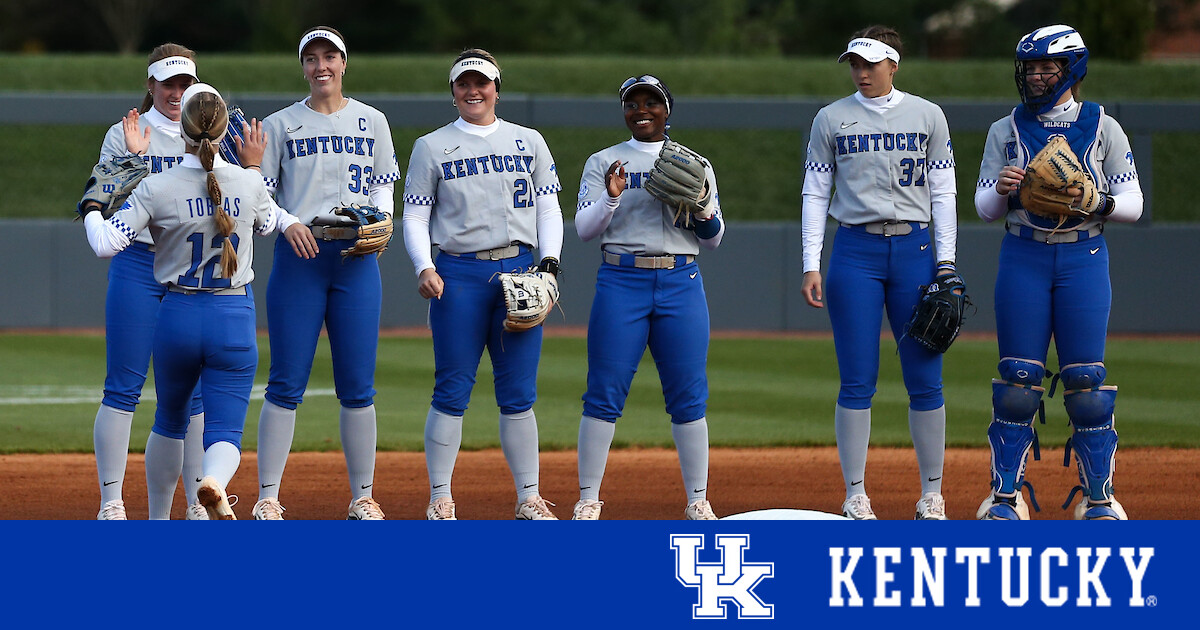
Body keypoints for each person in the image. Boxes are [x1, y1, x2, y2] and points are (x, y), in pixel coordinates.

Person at [82, 83, 315, 520]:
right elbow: (268, 222)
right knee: (223, 427)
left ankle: (156, 518)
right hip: (232, 316)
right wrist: (252, 167)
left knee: (169, 420)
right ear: (225, 130)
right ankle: (212, 484)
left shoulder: (158, 186)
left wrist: (94, 203)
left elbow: (105, 243)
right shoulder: (248, 182)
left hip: (177, 315)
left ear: (182, 132)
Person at [975, 25, 1143, 521]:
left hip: (1082, 255)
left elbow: (1133, 202)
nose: (1036, 76)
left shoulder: (1102, 126)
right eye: (1030, 67)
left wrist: (1100, 200)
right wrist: (1005, 189)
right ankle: (1005, 498)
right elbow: (985, 206)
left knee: (1087, 385)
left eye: (1047, 67)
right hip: (1023, 253)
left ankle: (1099, 499)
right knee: (1018, 381)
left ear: (1072, 69)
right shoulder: (1005, 128)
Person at [800, 26, 959, 520]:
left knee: (924, 377)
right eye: (854, 63)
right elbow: (815, 194)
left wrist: (947, 261)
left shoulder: (928, 114)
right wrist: (811, 261)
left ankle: (932, 493)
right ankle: (855, 493)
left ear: (894, 64)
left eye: (870, 64)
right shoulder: (831, 118)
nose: (861, 72)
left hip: (914, 248)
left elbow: (943, 193)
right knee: (856, 380)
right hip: (854, 250)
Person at [402, 48, 564, 520]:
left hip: (519, 269)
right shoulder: (431, 146)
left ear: (497, 88)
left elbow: (548, 208)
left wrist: (549, 263)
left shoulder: (528, 141)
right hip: (459, 273)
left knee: (518, 391)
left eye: (482, 82)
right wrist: (422, 266)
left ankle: (529, 497)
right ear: (452, 92)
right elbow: (415, 214)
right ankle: (439, 497)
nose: (473, 90)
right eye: (463, 84)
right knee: (452, 387)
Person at [250, 26, 399, 520]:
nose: (321, 66)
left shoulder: (373, 121)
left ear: (344, 63)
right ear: (303, 67)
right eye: (311, 58)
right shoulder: (279, 125)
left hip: (355, 262)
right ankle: (268, 495)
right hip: (302, 257)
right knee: (285, 381)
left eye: (329, 57)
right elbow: (259, 197)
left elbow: (381, 188)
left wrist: (383, 220)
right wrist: (287, 222)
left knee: (358, 385)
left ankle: (363, 495)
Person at [571, 75, 725, 521]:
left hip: (681, 280)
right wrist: (612, 198)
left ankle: (698, 500)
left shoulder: (695, 164)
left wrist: (701, 209)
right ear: (623, 111)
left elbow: (714, 239)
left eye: (652, 102)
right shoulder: (604, 161)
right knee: (603, 393)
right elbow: (584, 230)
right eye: (633, 103)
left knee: (689, 395)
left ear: (667, 110)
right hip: (621, 280)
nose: (642, 110)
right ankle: (587, 499)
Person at [87, 43, 211, 520]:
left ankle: (197, 502)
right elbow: (104, 196)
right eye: (168, 83)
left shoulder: (209, 128)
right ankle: (112, 501)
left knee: (193, 392)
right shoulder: (126, 133)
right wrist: (135, 158)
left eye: (185, 83)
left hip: (189, 268)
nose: (177, 93)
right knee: (123, 385)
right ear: (151, 84)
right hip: (139, 261)